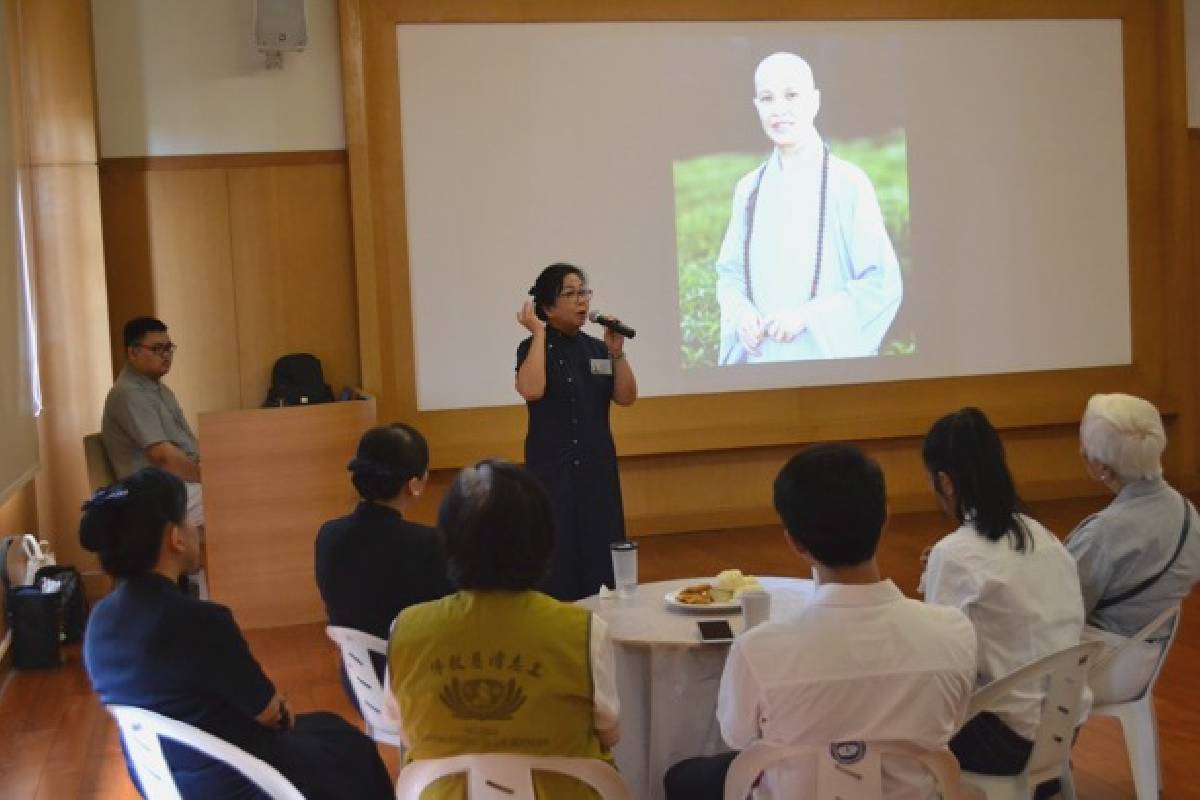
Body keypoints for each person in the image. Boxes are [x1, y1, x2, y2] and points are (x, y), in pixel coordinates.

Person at [665, 444, 976, 800]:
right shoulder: (953, 632)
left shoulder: (759, 648)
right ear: (885, 519)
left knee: (683, 777)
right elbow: (950, 724)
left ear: (795, 543)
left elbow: (737, 737)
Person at [81, 468, 393, 800]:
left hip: (167, 782)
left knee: (328, 731)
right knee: (349, 745)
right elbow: (271, 713)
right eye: (188, 520)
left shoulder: (99, 621)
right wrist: (281, 714)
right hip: (243, 782)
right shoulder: (199, 621)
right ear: (176, 538)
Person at [387, 459, 620, 800]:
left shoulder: (405, 629)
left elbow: (404, 731)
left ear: (448, 541)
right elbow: (610, 733)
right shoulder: (583, 629)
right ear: (543, 541)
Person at [920, 407, 1085, 782]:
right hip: (1065, 729)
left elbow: (940, 658)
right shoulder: (1045, 537)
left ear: (945, 482)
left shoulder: (956, 553)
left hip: (1004, 741)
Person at [715, 52, 902, 365]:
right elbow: (729, 274)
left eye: (791, 95)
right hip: (760, 364)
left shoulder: (849, 182)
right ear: (756, 106)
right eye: (767, 98)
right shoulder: (748, 189)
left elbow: (881, 283)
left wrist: (808, 317)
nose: (779, 110)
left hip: (830, 361)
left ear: (815, 101)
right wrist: (741, 314)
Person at [1066, 393, 1200, 703]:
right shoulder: (1189, 515)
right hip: (1144, 664)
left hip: (1095, 672)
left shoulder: (1103, 533)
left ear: (1101, 468)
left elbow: (1060, 612)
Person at [515, 263, 637, 601]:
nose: (581, 300)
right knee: (557, 545)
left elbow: (626, 397)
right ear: (548, 307)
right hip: (551, 467)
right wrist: (538, 335)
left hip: (596, 466)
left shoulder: (597, 350)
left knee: (601, 543)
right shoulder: (531, 349)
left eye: (584, 292)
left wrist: (618, 353)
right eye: (569, 294)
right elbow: (532, 389)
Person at [316, 423, 454, 704]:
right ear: (414, 485)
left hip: (361, 685)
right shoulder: (430, 545)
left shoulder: (328, 535)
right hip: (421, 690)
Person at [102, 317, 204, 528]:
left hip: (178, 484)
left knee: (239, 486)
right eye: (157, 349)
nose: (166, 355)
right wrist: (207, 476)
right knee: (233, 496)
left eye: (169, 348)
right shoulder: (128, 394)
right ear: (133, 352)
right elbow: (163, 457)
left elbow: (187, 444)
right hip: (153, 495)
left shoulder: (160, 389)